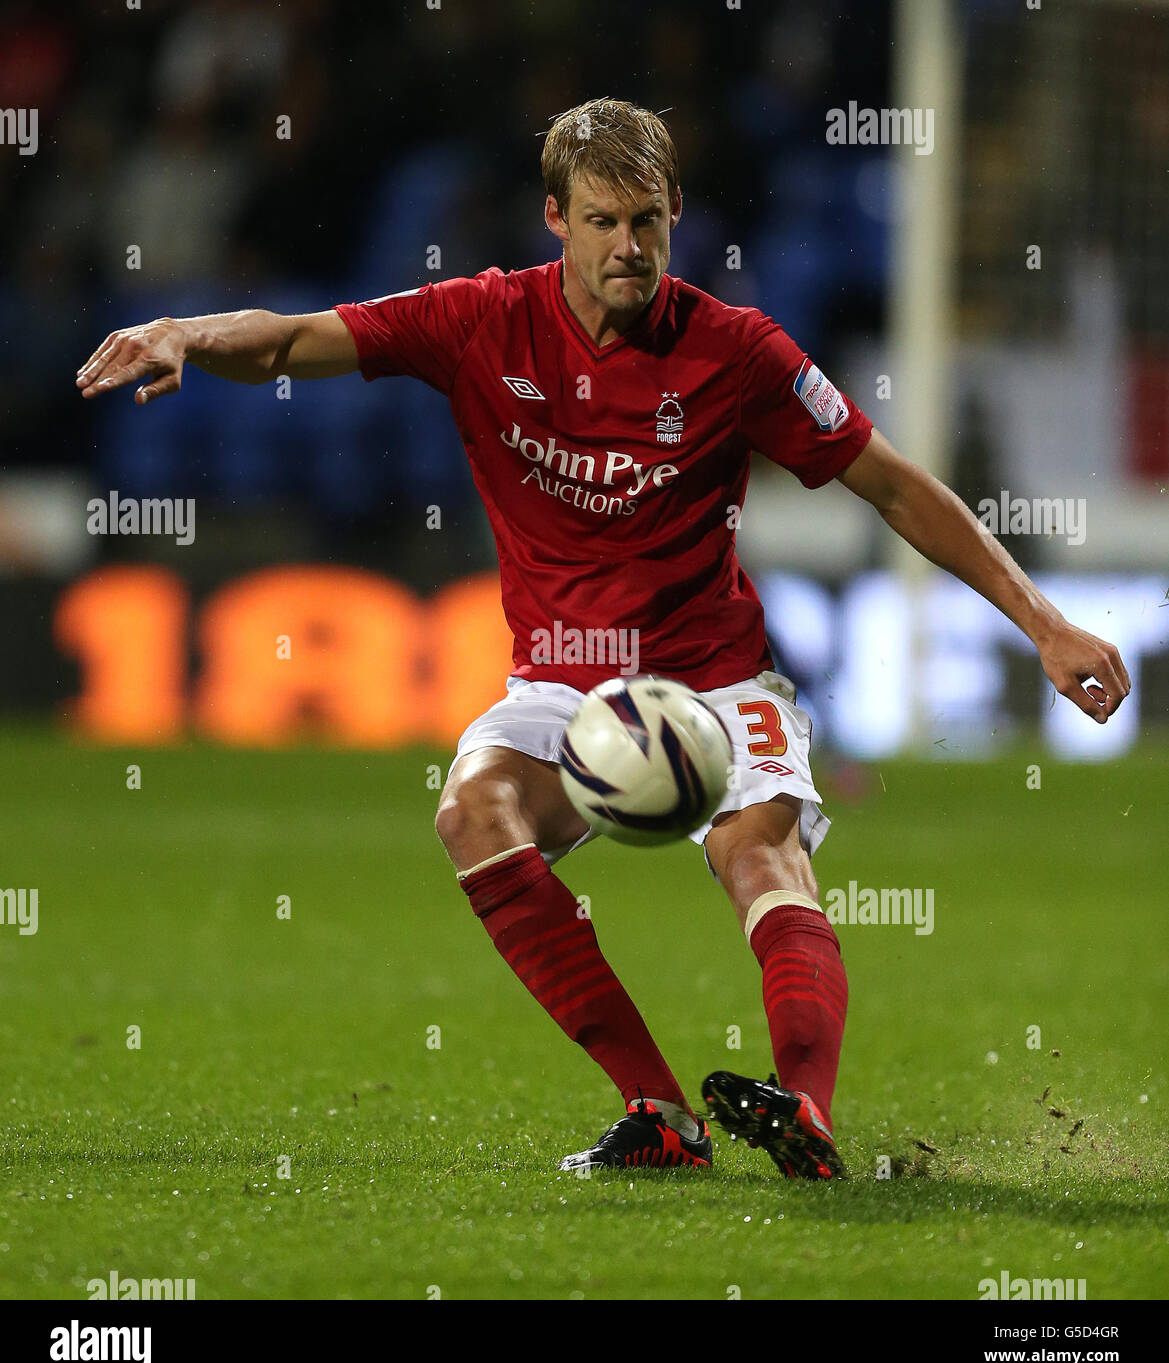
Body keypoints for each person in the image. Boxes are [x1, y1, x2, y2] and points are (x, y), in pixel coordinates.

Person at [76, 97, 1130, 1179]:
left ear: (674, 213)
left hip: (718, 680)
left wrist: (1042, 624)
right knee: (470, 809)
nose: (625, 247)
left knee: (757, 852)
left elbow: (891, 484)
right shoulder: (479, 319)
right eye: (599, 222)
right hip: (559, 689)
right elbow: (299, 339)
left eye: (644, 222)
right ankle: (657, 1110)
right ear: (553, 219)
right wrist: (186, 335)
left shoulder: (737, 352)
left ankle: (803, 1113)